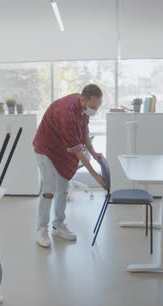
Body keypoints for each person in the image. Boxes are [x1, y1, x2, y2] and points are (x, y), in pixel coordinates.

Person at [32, 84, 106, 248]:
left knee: (63, 188)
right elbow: (79, 151)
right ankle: (41, 229)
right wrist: (96, 176)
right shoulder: (67, 115)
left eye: (97, 107)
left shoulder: (83, 107)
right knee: (49, 190)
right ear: (82, 99)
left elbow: (84, 130)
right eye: (93, 107)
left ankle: (58, 225)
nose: (95, 110)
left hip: (62, 149)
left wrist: (94, 153)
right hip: (46, 148)